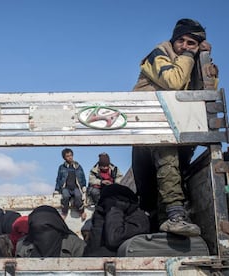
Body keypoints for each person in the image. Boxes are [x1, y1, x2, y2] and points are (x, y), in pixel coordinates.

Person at [132, 18, 218, 237]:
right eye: (181, 41)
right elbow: (174, 81)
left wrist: (207, 69)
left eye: (192, 43)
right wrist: (191, 55)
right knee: (165, 158)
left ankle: (169, 224)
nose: (185, 47)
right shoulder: (158, 54)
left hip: (175, 129)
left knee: (174, 172)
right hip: (149, 128)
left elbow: (200, 95)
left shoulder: (190, 62)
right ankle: (175, 215)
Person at [83, 184, 150, 257]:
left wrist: (116, 209)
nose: (103, 206)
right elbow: (93, 247)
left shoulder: (139, 218)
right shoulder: (102, 213)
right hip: (94, 263)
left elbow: (114, 239)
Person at [15, 205, 86, 257]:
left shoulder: (75, 245)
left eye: (47, 228)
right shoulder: (23, 245)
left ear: (57, 227)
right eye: (36, 229)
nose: (42, 235)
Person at [54, 148, 87, 220]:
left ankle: (81, 211)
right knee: (65, 196)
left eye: (71, 155)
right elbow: (58, 179)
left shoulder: (78, 166)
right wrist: (56, 189)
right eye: (67, 156)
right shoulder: (62, 167)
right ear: (64, 158)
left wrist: (84, 186)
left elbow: (82, 177)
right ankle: (64, 212)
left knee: (78, 196)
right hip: (66, 187)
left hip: (76, 187)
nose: (70, 157)